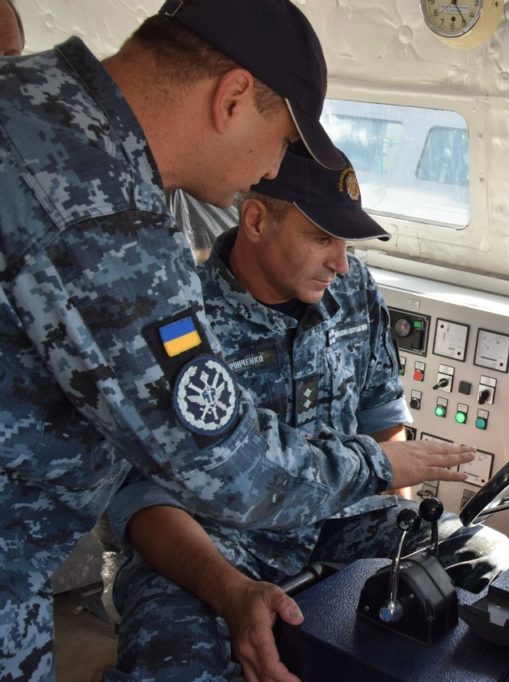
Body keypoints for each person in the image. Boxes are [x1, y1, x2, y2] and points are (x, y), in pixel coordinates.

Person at [0, 1, 472, 677]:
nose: (270, 165)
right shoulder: (103, 212)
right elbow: (223, 464)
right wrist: (377, 466)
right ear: (233, 96)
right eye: (283, 140)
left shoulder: (28, 100)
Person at [106, 148, 509, 681]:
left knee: (495, 559)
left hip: (344, 515)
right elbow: (139, 499)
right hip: (215, 541)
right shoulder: (181, 323)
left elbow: (379, 412)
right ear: (256, 220)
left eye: (346, 242)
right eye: (322, 238)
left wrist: (407, 531)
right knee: (170, 661)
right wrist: (231, 592)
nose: (342, 262)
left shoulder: (352, 289)